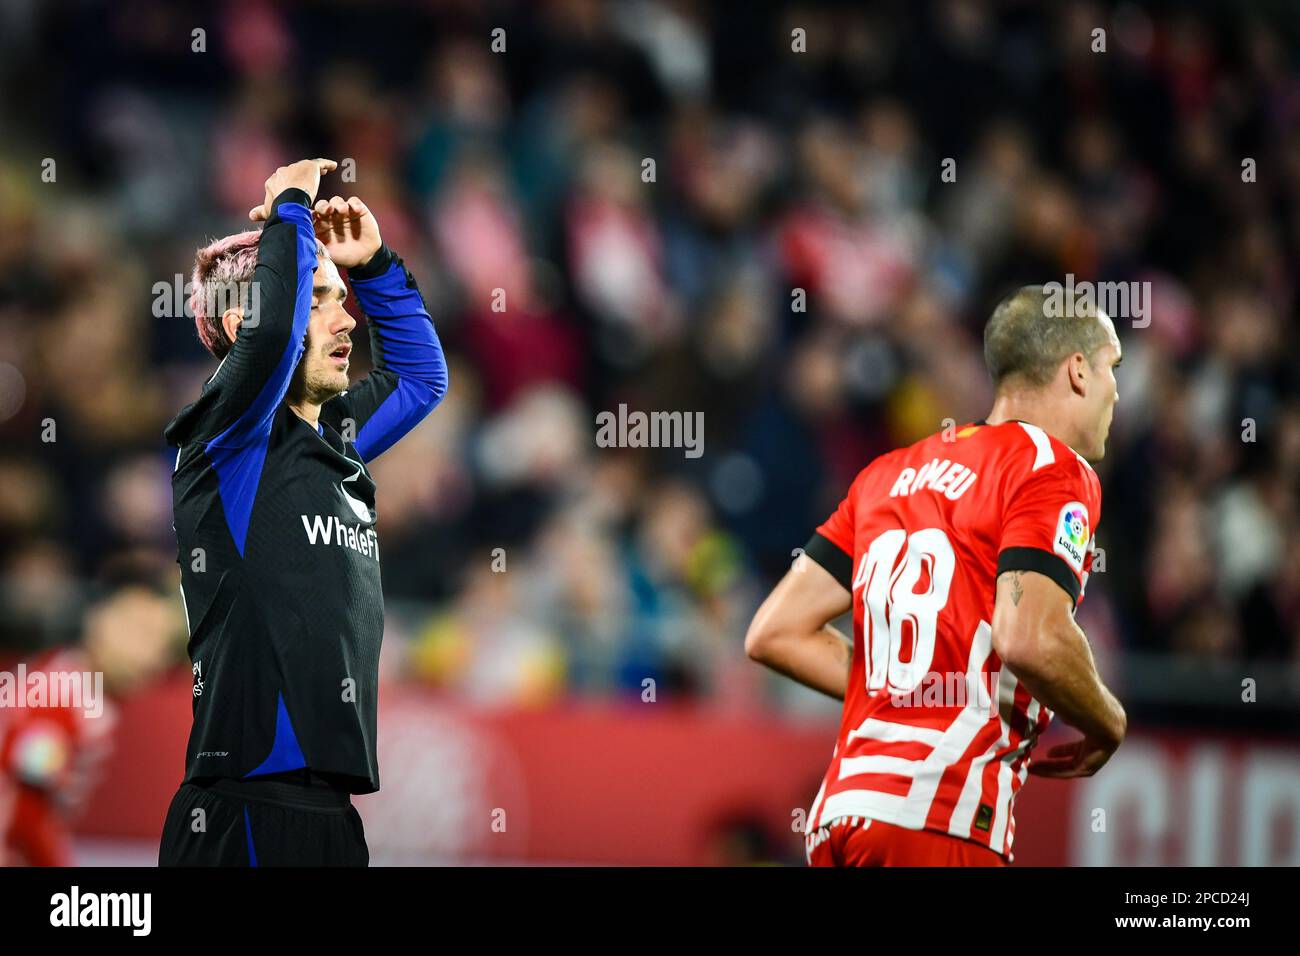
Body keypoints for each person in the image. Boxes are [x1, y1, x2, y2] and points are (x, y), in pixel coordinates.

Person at [745, 286, 1127, 866]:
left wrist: (909, 685)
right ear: (1077, 371)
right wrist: (1107, 720)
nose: (1117, 390)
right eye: (1111, 368)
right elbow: (1029, 637)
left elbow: (774, 631)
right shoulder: (1051, 467)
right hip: (940, 814)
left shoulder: (886, 474)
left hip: (842, 811)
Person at [158, 159, 448, 866]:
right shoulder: (228, 438)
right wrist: (288, 203)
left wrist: (374, 263)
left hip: (331, 820)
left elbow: (420, 376)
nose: (346, 317)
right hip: (243, 813)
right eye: (319, 298)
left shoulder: (333, 436)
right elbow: (273, 341)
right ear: (244, 323)